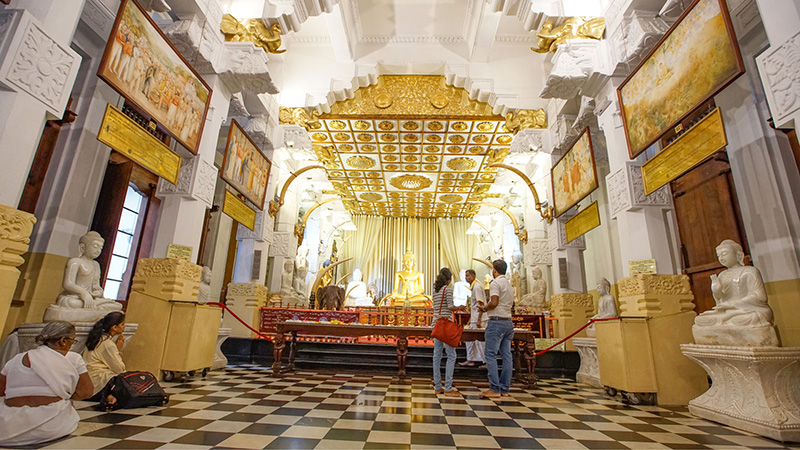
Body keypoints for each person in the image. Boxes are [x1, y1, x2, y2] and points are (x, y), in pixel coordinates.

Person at [0, 321, 93, 446]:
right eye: (73, 340)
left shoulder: (16, 359)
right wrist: (68, 399)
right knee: (66, 406)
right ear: (63, 341)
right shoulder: (73, 359)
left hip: (7, 426)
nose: (72, 344)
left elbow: (1, 390)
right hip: (49, 424)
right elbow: (86, 391)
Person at [478, 259, 515, 398]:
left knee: (490, 354)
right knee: (506, 355)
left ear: (494, 271)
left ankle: (494, 388)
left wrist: (484, 308)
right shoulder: (508, 284)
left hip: (497, 322)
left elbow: (494, 302)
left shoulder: (496, 283)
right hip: (508, 322)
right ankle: (505, 388)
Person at [431, 268, 465, 396]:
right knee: (451, 355)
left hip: (436, 324)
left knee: (437, 355)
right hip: (445, 324)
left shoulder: (436, 290)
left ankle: (438, 385)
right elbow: (450, 306)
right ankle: (448, 388)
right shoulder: (447, 289)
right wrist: (459, 307)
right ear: (449, 279)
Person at [83, 312, 126, 405]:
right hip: (98, 381)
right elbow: (119, 369)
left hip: (89, 379)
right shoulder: (107, 344)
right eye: (122, 324)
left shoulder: (97, 339)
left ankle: (108, 396)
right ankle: (108, 396)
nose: (124, 327)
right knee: (124, 378)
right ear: (114, 327)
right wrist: (118, 350)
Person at [459, 269, 488, 367]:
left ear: (473, 276)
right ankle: (471, 359)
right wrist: (471, 318)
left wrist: (479, 319)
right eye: (465, 276)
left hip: (480, 318)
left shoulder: (477, 287)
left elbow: (481, 304)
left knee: (481, 341)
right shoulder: (473, 287)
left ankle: (486, 361)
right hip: (475, 317)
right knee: (470, 339)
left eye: (468, 276)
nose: (466, 278)